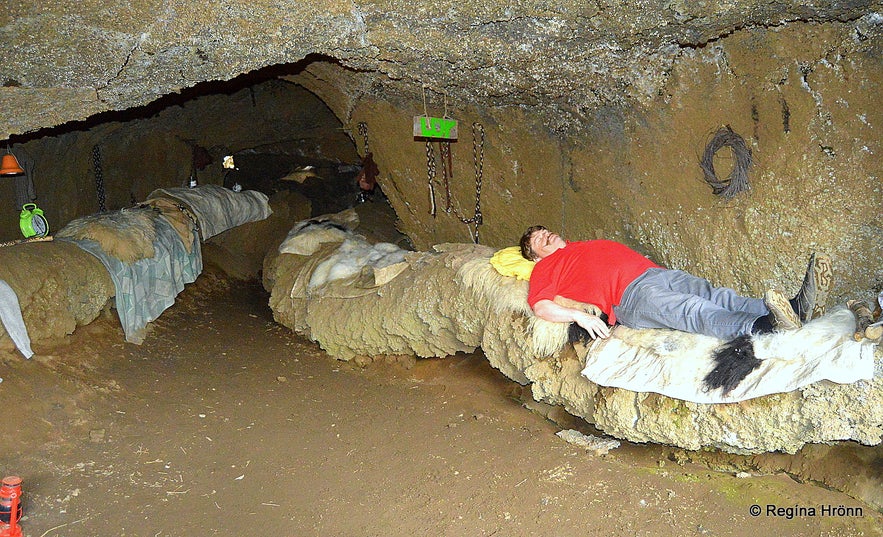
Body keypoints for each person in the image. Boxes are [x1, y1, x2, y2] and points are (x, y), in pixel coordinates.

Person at [519, 225, 829, 341]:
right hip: (629, 296)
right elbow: (542, 306)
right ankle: (763, 327)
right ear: (535, 257)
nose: (545, 236)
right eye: (538, 240)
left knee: (719, 295)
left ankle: (793, 309)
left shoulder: (578, 246)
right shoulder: (545, 268)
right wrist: (579, 315)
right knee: (693, 309)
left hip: (655, 275)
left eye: (544, 231)